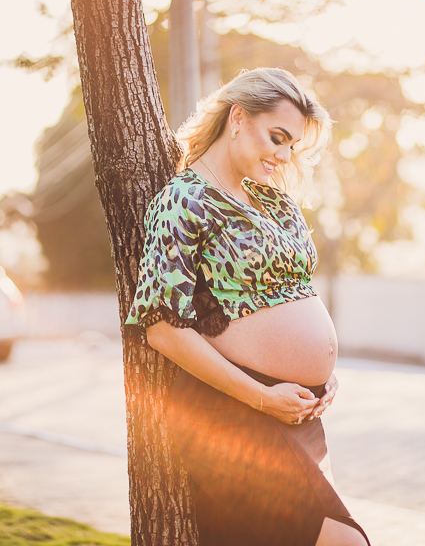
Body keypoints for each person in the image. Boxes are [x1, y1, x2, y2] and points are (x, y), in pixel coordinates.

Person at [126, 67, 371, 546]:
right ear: (238, 116)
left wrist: (322, 374)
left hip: (297, 412)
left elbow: (295, 291)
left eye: (291, 146)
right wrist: (263, 397)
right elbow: (161, 328)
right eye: (276, 137)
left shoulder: (274, 203)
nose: (283, 156)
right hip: (233, 413)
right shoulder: (184, 201)